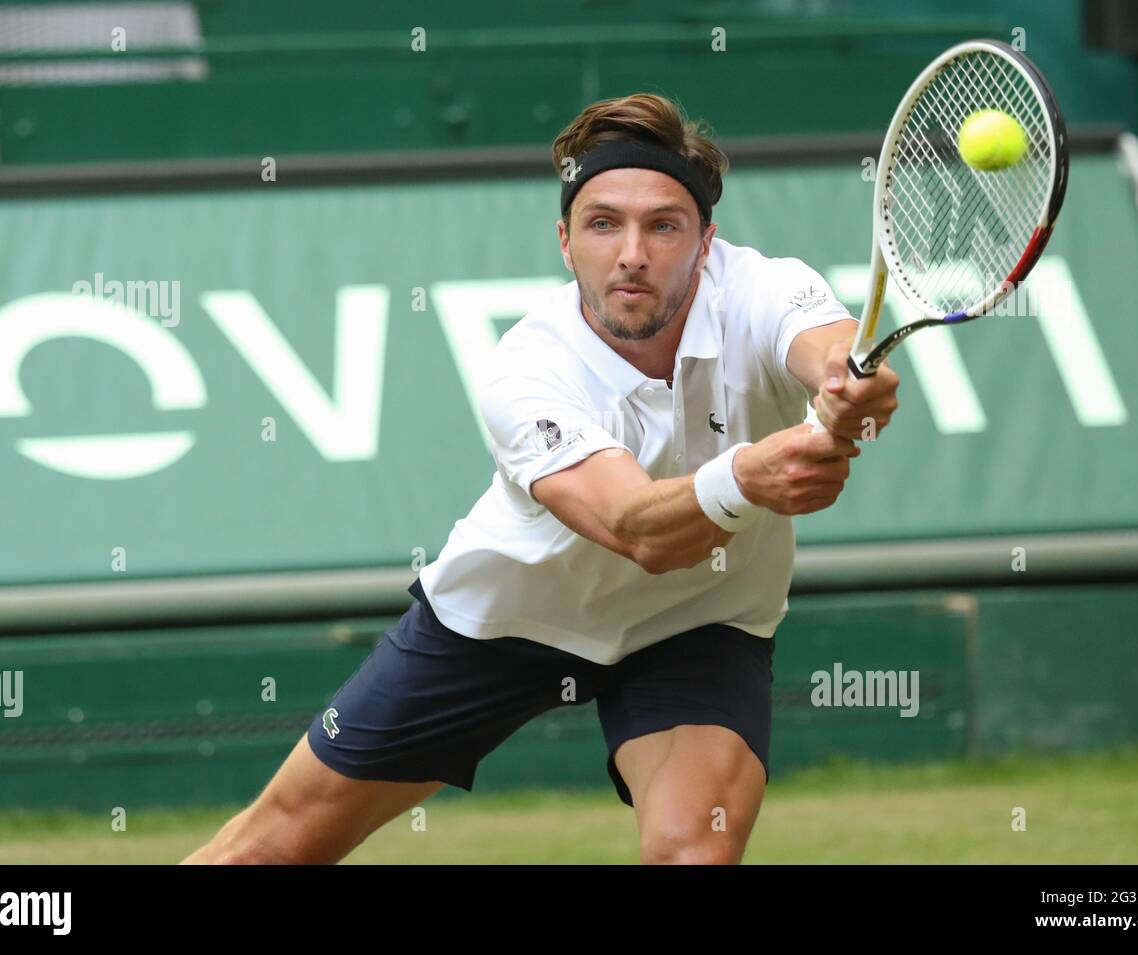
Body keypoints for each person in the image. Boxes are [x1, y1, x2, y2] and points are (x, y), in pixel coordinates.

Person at [183, 92, 899, 865]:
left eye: (663, 224)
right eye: (603, 224)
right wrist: (749, 476)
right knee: (266, 852)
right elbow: (635, 529)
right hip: (508, 616)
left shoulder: (762, 288)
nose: (633, 252)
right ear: (565, 241)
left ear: (705, 241)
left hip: (698, 617)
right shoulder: (526, 371)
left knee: (694, 851)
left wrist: (846, 388)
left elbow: (826, 347)